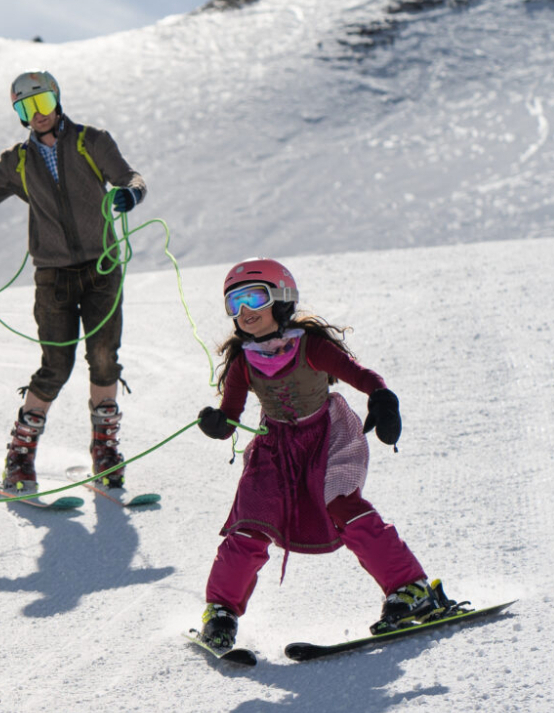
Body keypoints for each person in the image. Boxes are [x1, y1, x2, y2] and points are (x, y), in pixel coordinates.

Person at [192, 259, 456, 654]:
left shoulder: (310, 347)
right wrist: (217, 424)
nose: (245, 312)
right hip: (274, 451)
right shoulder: (244, 362)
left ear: (281, 299)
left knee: (344, 507)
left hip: (325, 439)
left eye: (254, 298)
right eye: (235, 303)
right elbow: (230, 419)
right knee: (249, 526)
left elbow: (362, 376)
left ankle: (410, 588)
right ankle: (221, 612)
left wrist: (382, 399)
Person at [0, 71, 149, 498]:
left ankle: (105, 453)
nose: (36, 115)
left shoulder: (91, 141)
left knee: (103, 357)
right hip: (53, 275)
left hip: (103, 268)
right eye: (25, 108)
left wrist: (130, 194)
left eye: (41, 104)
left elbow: (130, 178)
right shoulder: (16, 163)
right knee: (56, 366)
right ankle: (19, 459)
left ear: (57, 101)